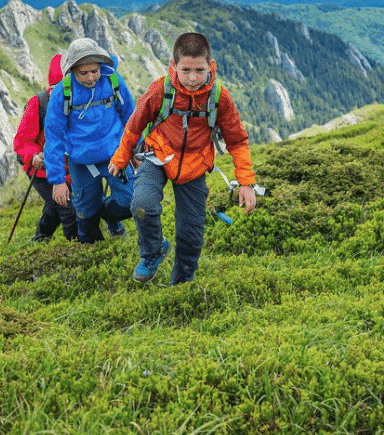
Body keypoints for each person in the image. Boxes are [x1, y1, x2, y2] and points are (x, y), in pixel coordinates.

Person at [109, 32, 256, 285]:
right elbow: (134, 126)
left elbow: (237, 140)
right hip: (157, 156)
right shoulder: (160, 90)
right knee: (142, 205)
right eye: (185, 70)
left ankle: (181, 283)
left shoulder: (220, 97)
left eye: (199, 70)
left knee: (191, 233)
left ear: (211, 66)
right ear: (173, 66)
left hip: (194, 166)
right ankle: (153, 252)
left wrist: (246, 182)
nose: (192, 78)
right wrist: (121, 158)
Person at [13, 54, 127, 242]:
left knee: (61, 205)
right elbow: (21, 141)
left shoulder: (88, 98)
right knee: (69, 209)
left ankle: (40, 239)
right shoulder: (39, 104)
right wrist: (34, 156)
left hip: (79, 167)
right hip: (45, 172)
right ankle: (83, 248)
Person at [44, 38, 136, 244]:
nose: (90, 78)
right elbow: (53, 138)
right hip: (81, 162)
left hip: (115, 154)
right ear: (72, 70)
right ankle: (90, 249)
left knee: (130, 200)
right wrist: (58, 180)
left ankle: (108, 216)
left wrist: (135, 151)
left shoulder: (113, 80)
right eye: (83, 73)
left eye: (94, 71)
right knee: (85, 210)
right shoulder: (62, 93)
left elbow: (131, 117)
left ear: (101, 65)